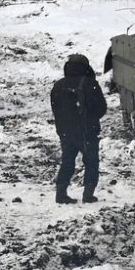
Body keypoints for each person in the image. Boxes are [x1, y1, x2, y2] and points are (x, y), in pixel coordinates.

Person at [52, 53, 107, 203]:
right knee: (91, 163)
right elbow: (101, 108)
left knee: (67, 162)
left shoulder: (58, 85)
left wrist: (64, 127)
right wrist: (90, 119)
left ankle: (61, 194)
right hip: (87, 132)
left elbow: (56, 110)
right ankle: (88, 195)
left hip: (66, 133)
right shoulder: (90, 84)